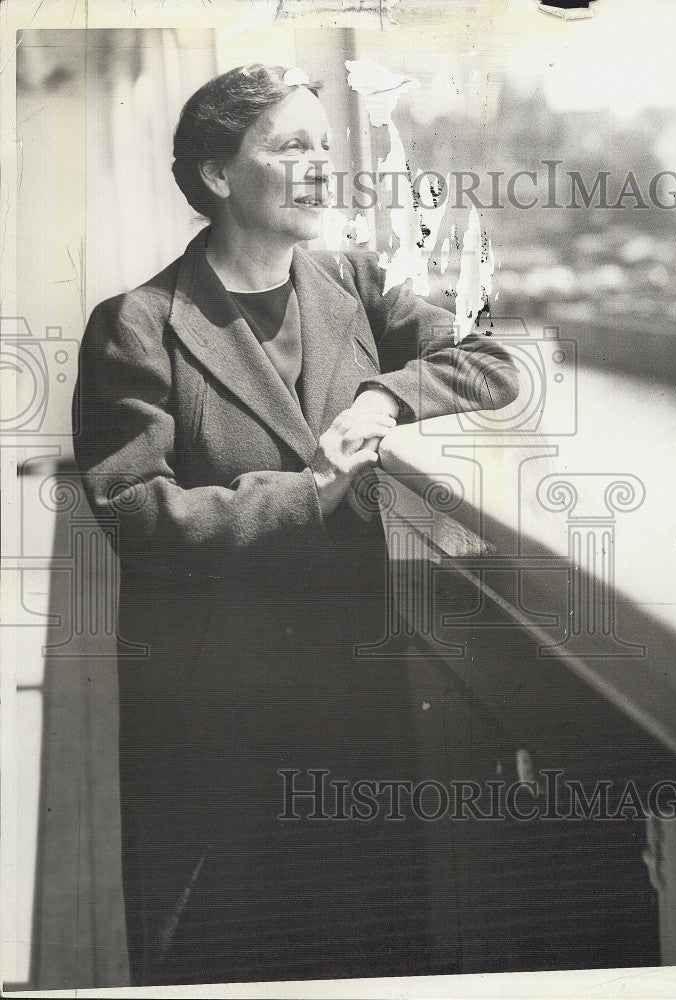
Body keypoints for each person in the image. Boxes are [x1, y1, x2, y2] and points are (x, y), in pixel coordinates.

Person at [72, 64, 519, 986]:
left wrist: (387, 394)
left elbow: (493, 358)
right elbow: (140, 516)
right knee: (225, 942)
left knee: (366, 931)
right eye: (290, 147)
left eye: (326, 145)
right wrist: (311, 485)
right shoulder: (137, 325)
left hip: (353, 677)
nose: (321, 166)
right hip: (216, 701)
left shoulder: (353, 282)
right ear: (218, 175)